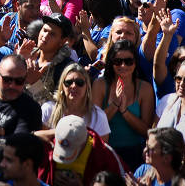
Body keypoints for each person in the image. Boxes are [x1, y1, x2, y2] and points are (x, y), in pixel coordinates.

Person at [92, 39, 155, 169]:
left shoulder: (145, 88)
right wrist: (114, 105)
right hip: (105, 150)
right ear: (111, 63)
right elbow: (94, 126)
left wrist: (125, 111)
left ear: (135, 62)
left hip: (134, 153)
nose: (123, 65)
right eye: (118, 61)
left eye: (128, 61)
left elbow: (146, 131)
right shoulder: (100, 84)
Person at [38, 115, 127, 186]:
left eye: (70, 151)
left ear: (84, 142)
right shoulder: (50, 144)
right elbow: (26, 138)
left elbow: (124, 181)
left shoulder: (104, 155)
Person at [38, 63, 110, 141]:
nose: (73, 86)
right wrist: (63, 132)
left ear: (87, 87)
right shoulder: (48, 109)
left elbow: (102, 149)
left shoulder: (98, 115)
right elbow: (36, 137)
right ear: (62, 86)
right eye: (68, 82)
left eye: (79, 83)